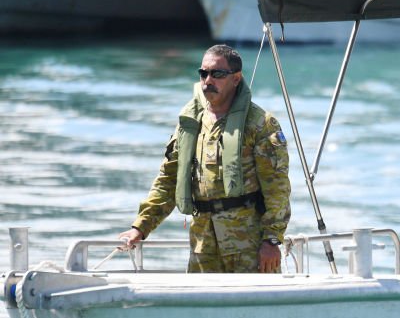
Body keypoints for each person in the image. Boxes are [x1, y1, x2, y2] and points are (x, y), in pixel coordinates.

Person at [119, 45, 291, 273]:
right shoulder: (189, 123)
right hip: (202, 245)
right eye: (204, 73)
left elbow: (277, 189)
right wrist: (140, 227)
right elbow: (169, 180)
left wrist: (272, 240)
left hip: (247, 244)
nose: (208, 80)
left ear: (236, 78)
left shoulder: (259, 124)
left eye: (217, 74)